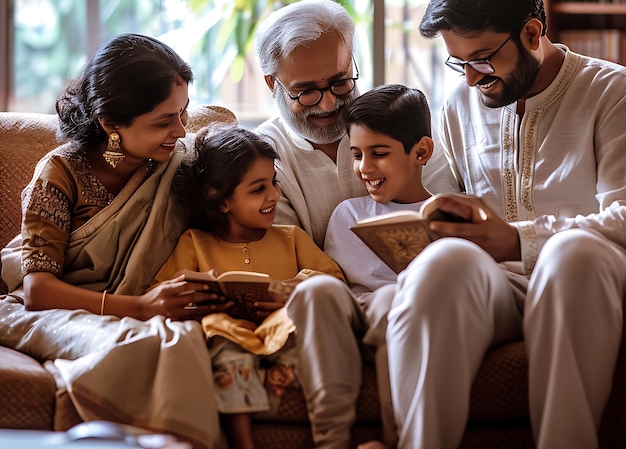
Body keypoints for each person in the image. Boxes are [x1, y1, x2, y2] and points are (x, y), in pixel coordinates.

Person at [385, 0, 626, 449]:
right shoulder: (458, 105)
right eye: (460, 62)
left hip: (589, 279)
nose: (471, 78)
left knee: (570, 253)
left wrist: (518, 240)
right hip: (498, 288)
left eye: (482, 59)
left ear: (532, 34)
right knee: (442, 266)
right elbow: (447, 202)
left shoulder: (612, 93)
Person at [0, 33, 227, 449]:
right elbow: (37, 292)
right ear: (111, 125)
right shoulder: (60, 173)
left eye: (184, 113)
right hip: (50, 308)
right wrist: (141, 308)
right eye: (163, 121)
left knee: (181, 337)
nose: (181, 130)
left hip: (131, 305)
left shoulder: (180, 165)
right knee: (146, 339)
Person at [151, 123, 346, 449]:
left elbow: (334, 280)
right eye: (258, 190)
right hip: (229, 335)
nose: (273, 195)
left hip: (284, 330)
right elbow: (162, 292)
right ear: (221, 199)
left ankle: (277, 382)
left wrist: (291, 289)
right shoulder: (195, 242)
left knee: (315, 341)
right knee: (225, 346)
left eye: (274, 182)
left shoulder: (291, 238)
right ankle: (243, 443)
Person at [254, 0, 457, 249]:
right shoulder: (261, 158)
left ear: (351, 62)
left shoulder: (399, 121)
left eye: (340, 82)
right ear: (272, 83)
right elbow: (288, 257)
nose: (328, 104)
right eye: (306, 92)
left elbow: (449, 222)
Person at [321, 83, 437, 449]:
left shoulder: (451, 213)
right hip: (357, 317)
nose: (364, 168)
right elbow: (340, 285)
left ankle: (396, 439)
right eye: (357, 154)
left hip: (413, 317)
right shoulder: (349, 214)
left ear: (421, 152)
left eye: (379, 153)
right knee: (334, 293)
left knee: (391, 299)